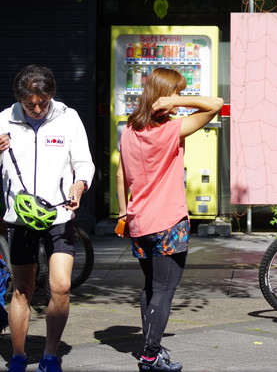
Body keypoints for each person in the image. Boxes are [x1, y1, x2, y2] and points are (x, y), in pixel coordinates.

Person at [116, 68, 222, 372]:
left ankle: (151, 348)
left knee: (151, 287)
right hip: (168, 222)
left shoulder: (130, 130)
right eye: (177, 92)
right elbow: (216, 103)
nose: (179, 99)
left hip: (139, 221)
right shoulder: (170, 129)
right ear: (164, 94)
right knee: (164, 290)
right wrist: (176, 100)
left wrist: (124, 211)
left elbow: (122, 173)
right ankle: (150, 355)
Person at [0, 65, 95, 372]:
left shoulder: (68, 118)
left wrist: (79, 185)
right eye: (31, 104)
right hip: (21, 219)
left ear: (52, 95)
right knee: (22, 289)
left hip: (59, 215)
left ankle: (51, 356)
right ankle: (17, 355)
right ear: (19, 99)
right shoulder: (4, 120)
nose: (38, 108)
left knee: (62, 286)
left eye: (44, 101)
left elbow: (84, 162)